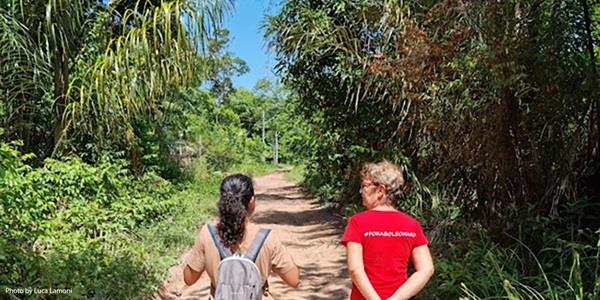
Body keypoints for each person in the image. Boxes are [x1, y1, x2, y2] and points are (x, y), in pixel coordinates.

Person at [183, 174, 300, 298]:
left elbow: (188, 279)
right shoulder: (267, 238)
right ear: (252, 202)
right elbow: (294, 280)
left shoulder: (207, 234)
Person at [341, 161, 434, 300]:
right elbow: (426, 269)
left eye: (365, 186)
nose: (361, 191)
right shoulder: (411, 225)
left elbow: (355, 269)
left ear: (380, 190)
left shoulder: (357, 222)